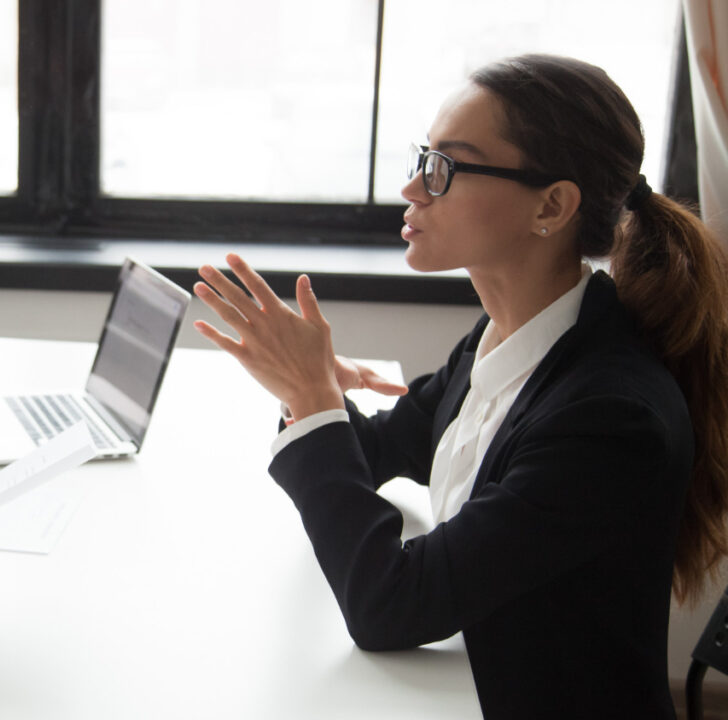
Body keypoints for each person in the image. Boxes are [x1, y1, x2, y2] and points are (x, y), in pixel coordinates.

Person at [193, 54, 728, 718]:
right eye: (422, 157)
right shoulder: (502, 335)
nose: (412, 189)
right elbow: (377, 450)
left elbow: (388, 607)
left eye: (445, 168)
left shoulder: (610, 417)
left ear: (552, 207)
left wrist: (314, 401)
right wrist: (304, 388)